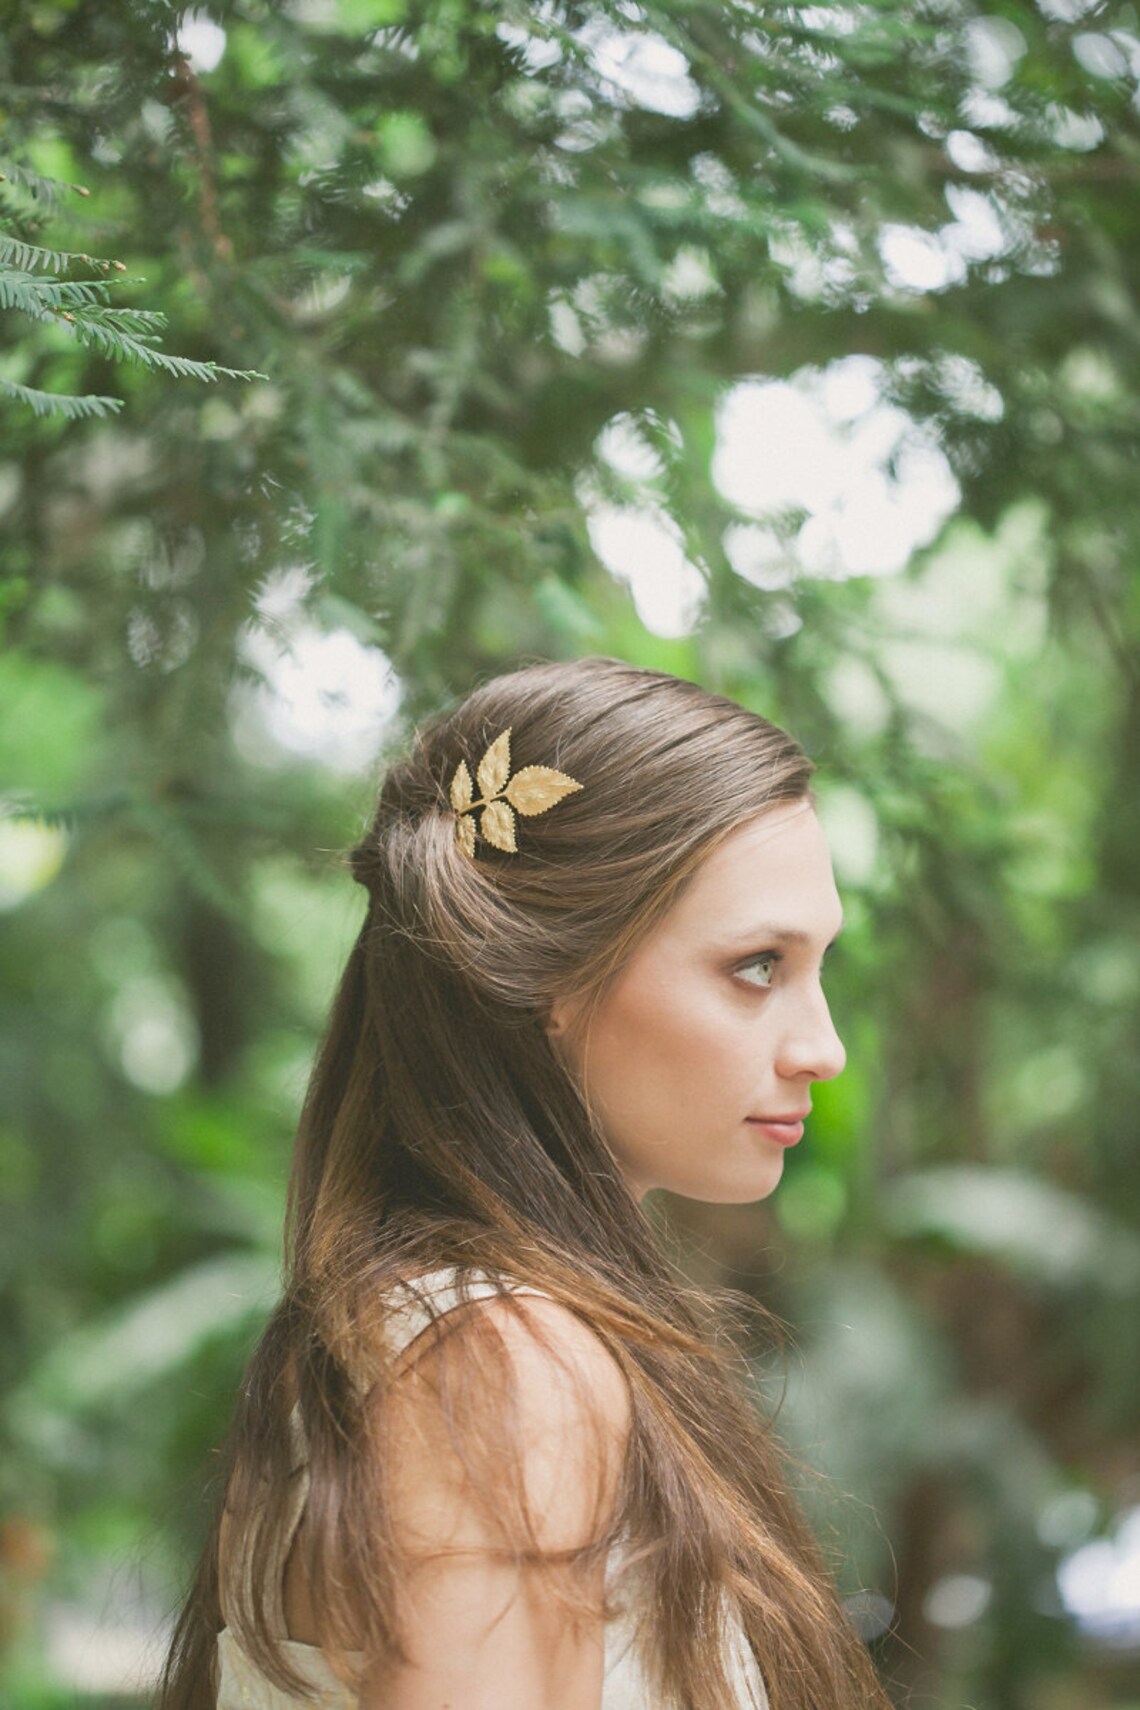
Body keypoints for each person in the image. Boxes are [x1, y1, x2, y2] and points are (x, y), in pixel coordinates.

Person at [159, 656, 891, 1710]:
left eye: (819, 966)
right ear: (547, 975)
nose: (821, 1048)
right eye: (757, 967)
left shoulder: (422, 1336)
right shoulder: (498, 1371)